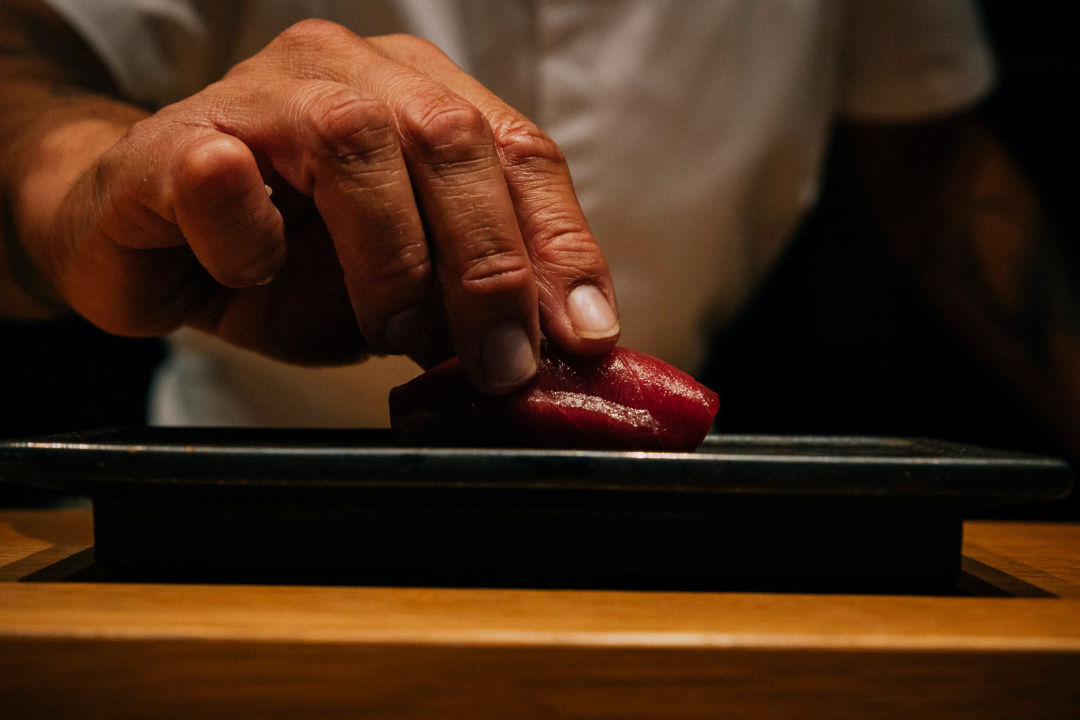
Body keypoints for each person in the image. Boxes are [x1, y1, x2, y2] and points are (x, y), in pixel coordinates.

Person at [1, 1, 1077, 456]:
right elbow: (28, 58)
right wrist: (80, 188)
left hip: (664, 512)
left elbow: (930, 163)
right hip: (242, 479)